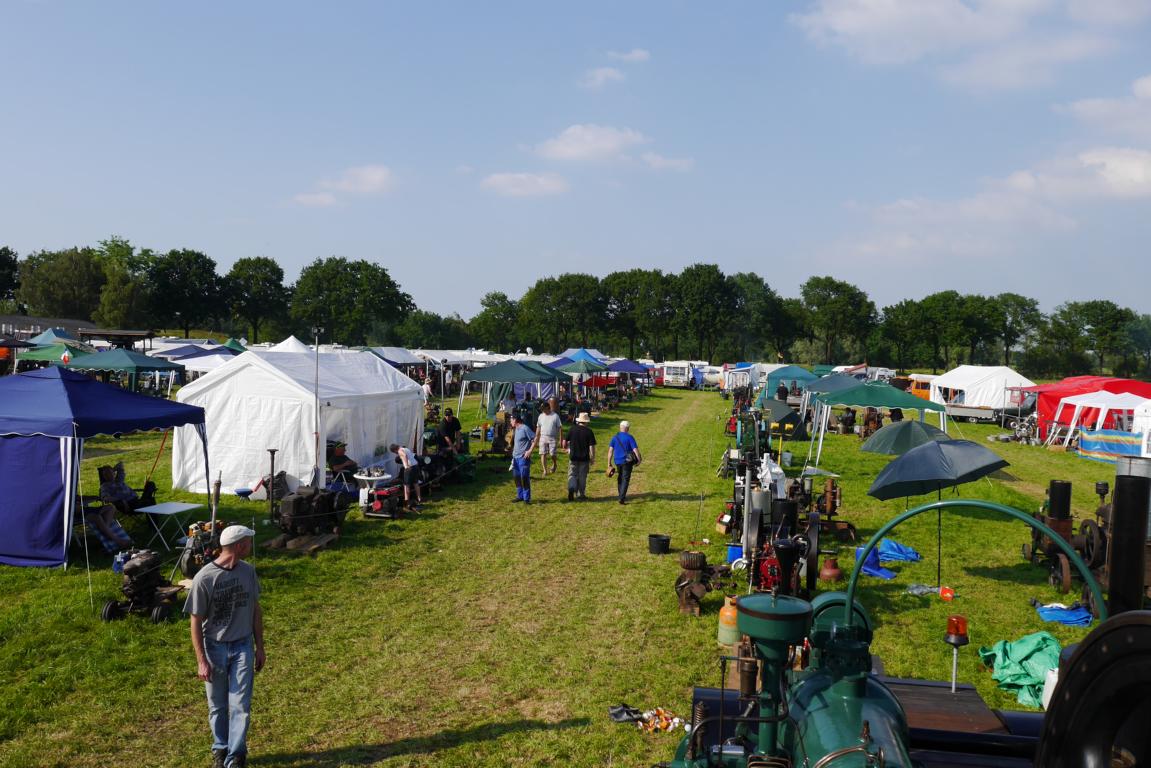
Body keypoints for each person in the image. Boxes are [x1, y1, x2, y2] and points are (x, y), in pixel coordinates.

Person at [186, 525, 265, 768]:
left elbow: (256, 609)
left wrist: (260, 646)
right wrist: (201, 660)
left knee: (241, 705)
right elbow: (195, 621)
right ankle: (220, 749)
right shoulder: (204, 578)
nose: (250, 546)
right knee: (218, 706)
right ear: (239, 546)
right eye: (248, 543)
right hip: (215, 648)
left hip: (243, 646)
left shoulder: (248, 572)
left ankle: (236, 756)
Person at [606, 420, 642, 505]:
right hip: (627, 461)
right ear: (627, 428)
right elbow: (635, 450)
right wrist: (639, 459)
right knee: (625, 479)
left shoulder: (615, 438)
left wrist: (609, 463)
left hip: (617, 461)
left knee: (620, 477)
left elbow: (610, 451)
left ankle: (620, 495)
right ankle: (621, 498)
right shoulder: (630, 437)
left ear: (620, 427)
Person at [563, 412, 597, 501]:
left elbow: (565, 441)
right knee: (582, 476)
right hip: (584, 458)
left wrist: (566, 448)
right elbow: (591, 446)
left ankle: (571, 488)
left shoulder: (572, 429)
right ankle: (581, 494)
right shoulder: (589, 431)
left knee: (572, 474)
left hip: (573, 456)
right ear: (586, 422)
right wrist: (592, 457)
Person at [510, 413, 536, 504]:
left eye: (511, 420)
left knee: (524, 478)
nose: (510, 421)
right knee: (516, 477)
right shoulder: (516, 429)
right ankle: (520, 496)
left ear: (515, 420)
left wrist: (530, 451)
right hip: (515, 457)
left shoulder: (525, 428)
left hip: (523, 458)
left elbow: (534, 439)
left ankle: (526, 498)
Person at [389, 443, 423, 510]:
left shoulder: (400, 451)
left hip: (410, 468)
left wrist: (406, 466)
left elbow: (404, 455)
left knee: (406, 485)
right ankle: (419, 499)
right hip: (415, 466)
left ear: (394, 450)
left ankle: (407, 502)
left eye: (394, 452)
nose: (395, 453)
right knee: (416, 483)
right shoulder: (406, 448)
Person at [535, 401, 562, 476]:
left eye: (543, 408)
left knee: (552, 454)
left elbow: (560, 427)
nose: (542, 410)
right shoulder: (540, 416)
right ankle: (545, 470)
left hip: (552, 437)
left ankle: (554, 464)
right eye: (541, 409)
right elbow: (538, 427)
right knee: (542, 453)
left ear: (547, 408)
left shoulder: (555, 416)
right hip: (543, 436)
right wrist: (536, 437)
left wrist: (560, 439)